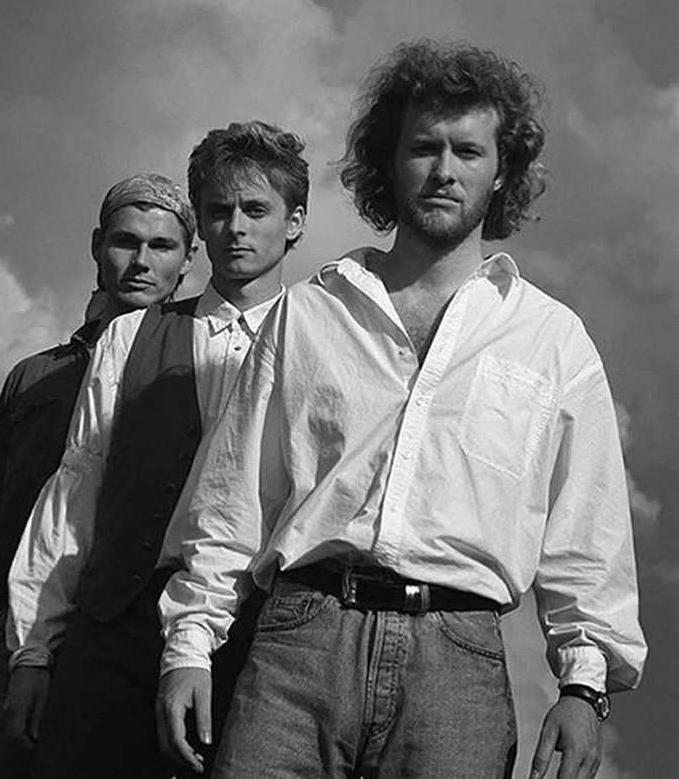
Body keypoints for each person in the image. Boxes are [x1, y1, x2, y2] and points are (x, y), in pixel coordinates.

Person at [157, 41, 647, 779]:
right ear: (388, 160)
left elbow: (588, 534)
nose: (444, 170)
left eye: (468, 151)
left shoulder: (552, 341)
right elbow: (231, 498)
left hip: (458, 665)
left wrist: (584, 687)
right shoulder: (308, 314)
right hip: (298, 644)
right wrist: (190, 644)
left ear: (502, 171)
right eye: (423, 147)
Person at [5, 121, 309, 779]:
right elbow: (75, 493)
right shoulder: (132, 336)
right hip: (115, 629)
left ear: (295, 222)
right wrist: (34, 650)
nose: (236, 227)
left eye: (256, 210)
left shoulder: (320, 338)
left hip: (257, 641)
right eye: (219, 210)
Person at [0, 173, 196, 778]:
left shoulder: (201, 365)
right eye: (125, 241)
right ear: (97, 246)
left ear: (187, 260)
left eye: (161, 246)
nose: (141, 262)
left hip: (139, 636)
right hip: (17, 640)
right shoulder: (35, 378)